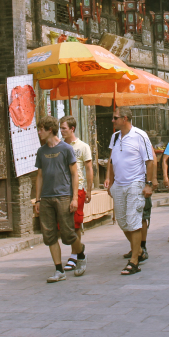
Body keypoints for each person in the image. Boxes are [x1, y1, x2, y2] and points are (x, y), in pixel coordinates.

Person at [32, 116, 85, 283]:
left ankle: (81, 255)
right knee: (49, 235)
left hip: (63, 196)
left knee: (68, 234)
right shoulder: (41, 151)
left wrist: (74, 198)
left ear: (49, 130)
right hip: (46, 198)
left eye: (40, 129)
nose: (38, 132)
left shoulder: (66, 149)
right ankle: (58, 269)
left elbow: (75, 174)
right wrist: (37, 200)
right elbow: (39, 176)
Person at [105, 106, 156, 275]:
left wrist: (149, 183)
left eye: (115, 118)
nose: (112, 121)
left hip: (136, 182)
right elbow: (112, 160)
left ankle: (134, 260)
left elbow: (150, 161)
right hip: (119, 184)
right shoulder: (115, 137)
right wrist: (110, 181)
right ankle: (138, 250)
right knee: (122, 221)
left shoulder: (140, 136)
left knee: (134, 221)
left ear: (125, 118)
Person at [60, 116, 94, 272]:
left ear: (72, 129)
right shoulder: (59, 146)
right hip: (62, 189)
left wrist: (89, 189)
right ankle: (78, 247)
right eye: (60, 128)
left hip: (78, 188)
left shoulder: (82, 146)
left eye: (64, 128)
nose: (61, 131)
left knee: (75, 223)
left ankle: (75, 254)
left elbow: (88, 169)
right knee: (64, 225)